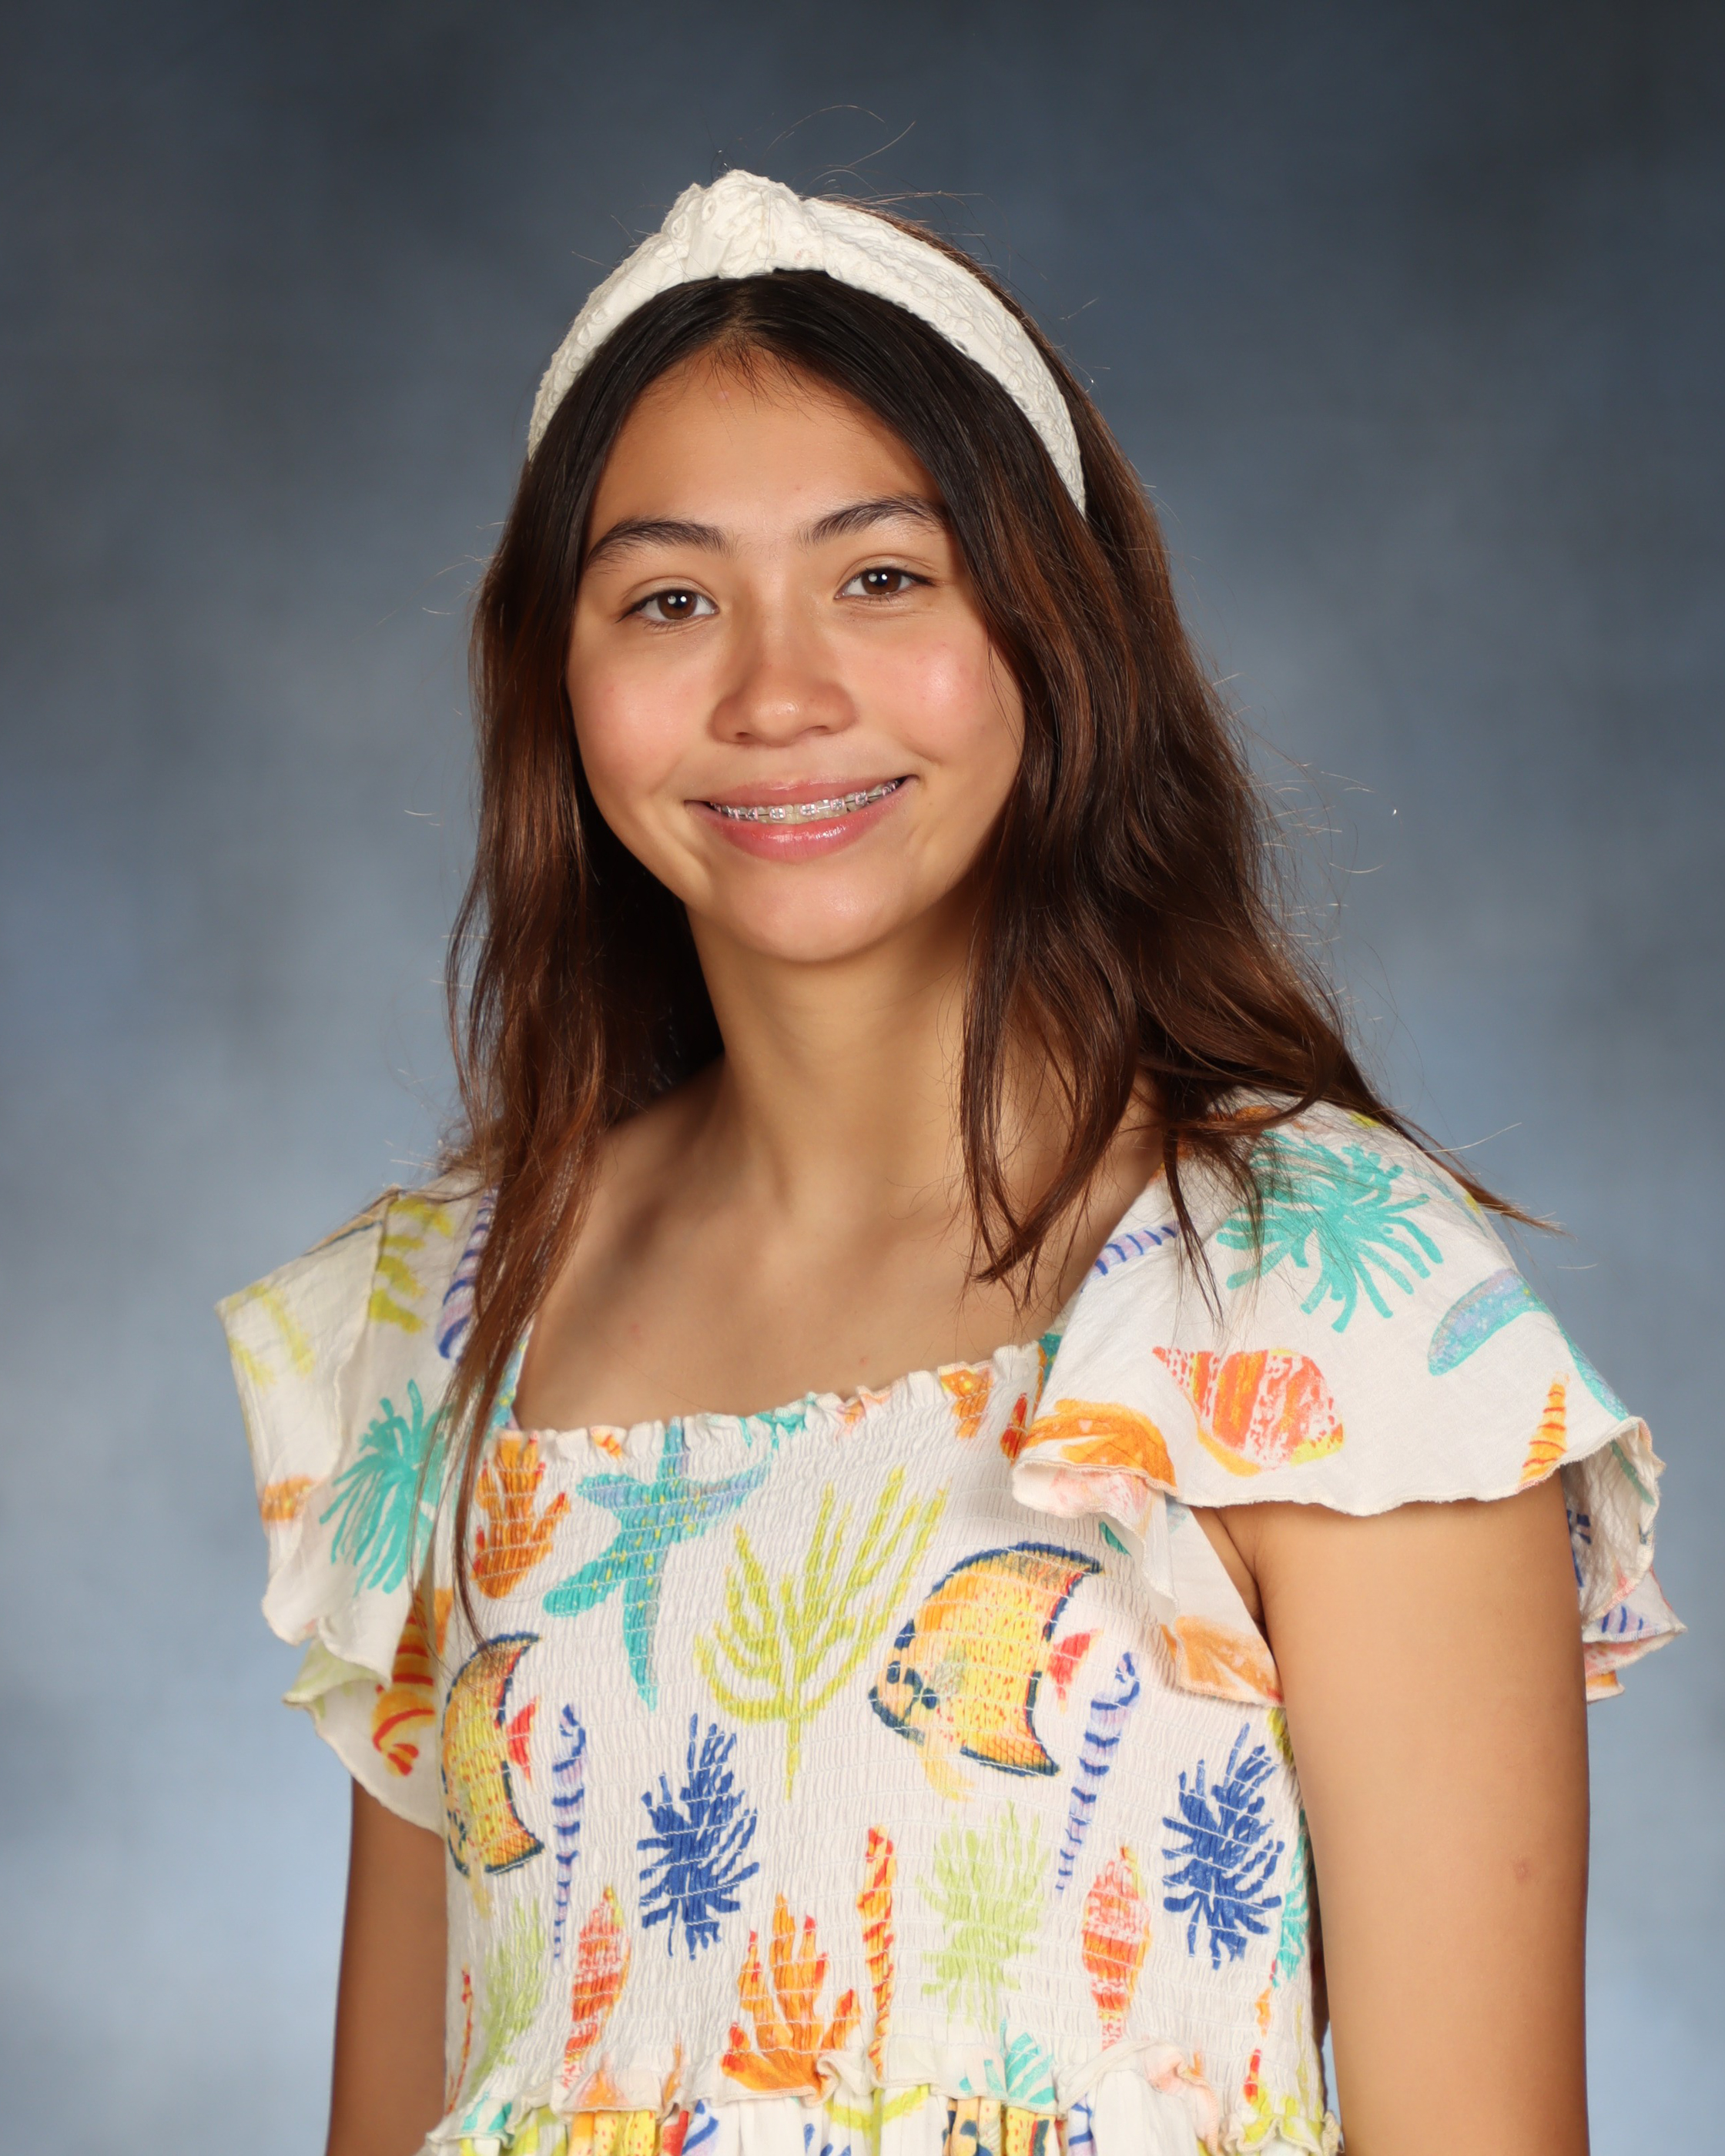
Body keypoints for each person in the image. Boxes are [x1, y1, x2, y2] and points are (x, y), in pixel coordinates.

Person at [220, 172, 1678, 2156]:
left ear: (1054, 637)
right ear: (556, 683)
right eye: (669, 600)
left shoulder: (1324, 1307)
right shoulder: (455, 1320)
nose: (777, 694)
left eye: (885, 576)